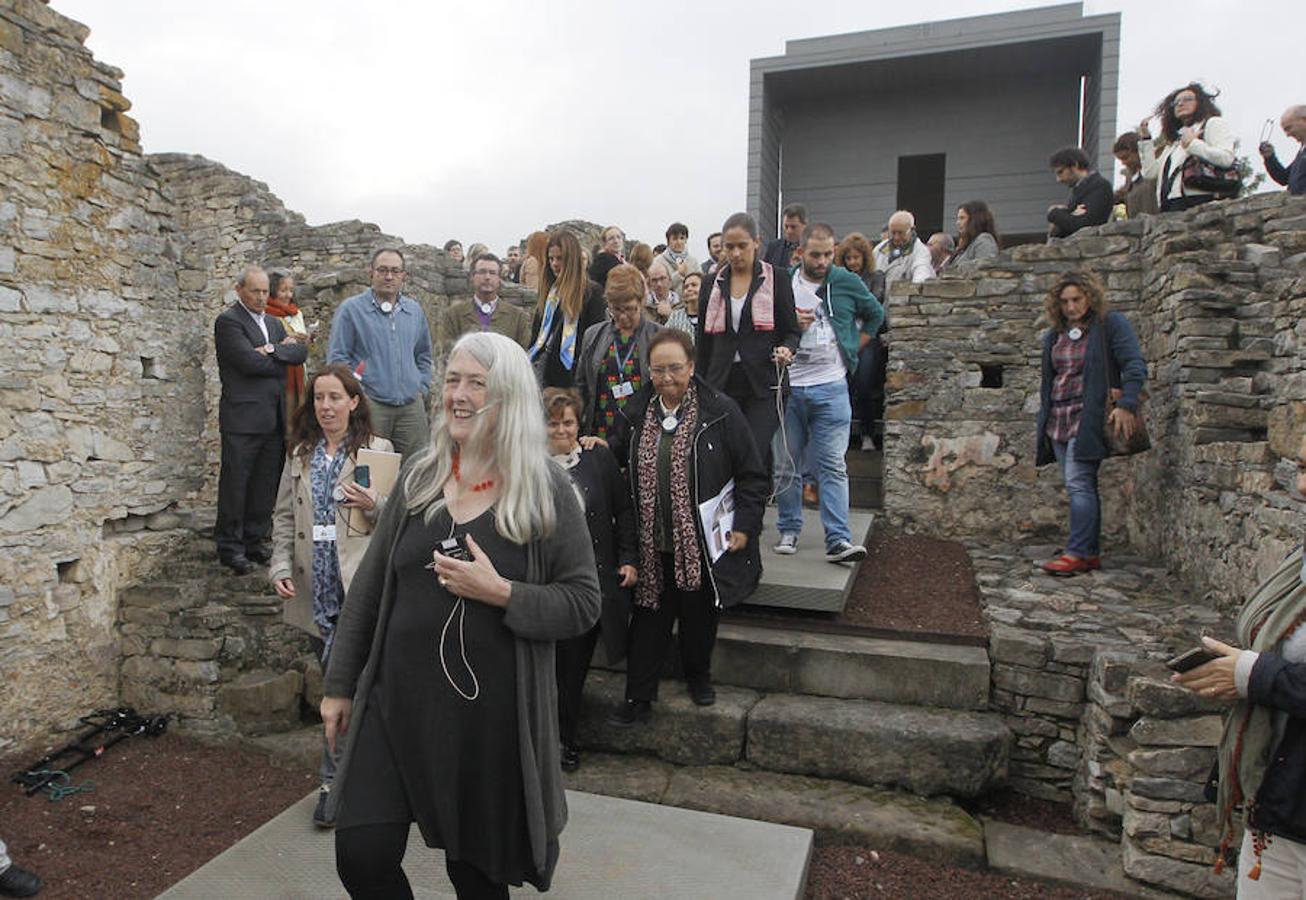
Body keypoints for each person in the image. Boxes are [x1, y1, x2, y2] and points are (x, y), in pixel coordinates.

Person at [322, 331, 601, 899]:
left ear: (509, 397)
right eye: (452, 379)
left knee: (473, 877)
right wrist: (340, 684)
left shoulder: (545, 488)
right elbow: (372, 588)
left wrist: (503, 592)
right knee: (361, 854)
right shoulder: (422, 477)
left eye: (477, 382)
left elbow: (583, 601)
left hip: (485, 724)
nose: (459, 394)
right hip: (396, 704)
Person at [611, 329, 769, 723]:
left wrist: (746, 526)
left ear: (692, 367)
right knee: (648, 621)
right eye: (659, 370)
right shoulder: (634, 413)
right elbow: (612, 456)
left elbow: (753, 476)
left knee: (698, 618)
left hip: (700, 543)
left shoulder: (721, 411)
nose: (667, 378)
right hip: (651, 543)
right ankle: (638, 698)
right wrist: (594, 449)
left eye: (676, 369)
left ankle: (699, 677)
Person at [1174, 433, 1306, 895]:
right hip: (1279, 808)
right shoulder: (1301, 563)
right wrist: (1237, 669)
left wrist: (1255, 675)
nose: (1303, 486)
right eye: (1303, 468)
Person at [269, 364, 392, 827]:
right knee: (343, 691)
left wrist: (374, 504)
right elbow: (282, 517)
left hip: (357, 595)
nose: (325, 407)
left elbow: (395, 524)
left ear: (354, 401)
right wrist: (279, 566)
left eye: (335, 398)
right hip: (316, 594)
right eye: (319, 398)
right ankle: (358, 781)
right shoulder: (300, 454)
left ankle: (332, 786)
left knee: (342, 691)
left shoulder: (376, 452)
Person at [773, 223, 882, 562]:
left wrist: (851, 348)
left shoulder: (847, 281)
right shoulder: (782, 283)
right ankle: (789, 529)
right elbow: (763, 328)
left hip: (831, 386)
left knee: (833, 464)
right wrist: (789, 324)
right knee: (785, 464)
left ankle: (838, 539)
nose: (823, 261)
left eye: (828, 254)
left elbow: (876, 316)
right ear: (800, 253)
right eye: (816, 254)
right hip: (790, 387)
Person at [544, 388, 637, 772]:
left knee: (570, 672)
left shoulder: (596, 457)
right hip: (543, 588)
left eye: (569, 422)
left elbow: (624, 510)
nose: (563, 430)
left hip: (587, 587)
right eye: (554, 423)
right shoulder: (527, 466)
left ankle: (565, 740)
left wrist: (629, 559)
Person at [1035, 269, 1145, 576]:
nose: (1071, 307)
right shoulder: (1055, 335)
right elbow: (1052, 377)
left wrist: (1126, 403)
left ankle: (1078, 552)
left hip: (1089, 417)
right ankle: (1089, 550)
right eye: (1065, 301)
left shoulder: (1109, 325)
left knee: (1079, 481)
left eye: (1077, 300)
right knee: (1079, 485)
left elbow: (1134, 364)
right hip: (1058, 418)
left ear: (1090, 298)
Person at [214, 266, 309, 574]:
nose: (260, 297)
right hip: (242, 418)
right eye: (254, 291)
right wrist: (279, 354)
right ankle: (230, 546)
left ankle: (254, 541)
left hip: (274, 417)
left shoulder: (273, 322)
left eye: (265, 291)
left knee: (265, 484)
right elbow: (247, 361)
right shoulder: (228, 322)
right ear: (239, 289)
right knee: (236, 483)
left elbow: (300, 354)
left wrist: (269, 350)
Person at [696, 212, 800, 467]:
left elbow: (792, 330)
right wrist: (698, 386)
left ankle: (752, 503)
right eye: (729, 247)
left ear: (756, 242)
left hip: (763, 383)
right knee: (725, 453)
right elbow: (703, 342)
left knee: (752, 449)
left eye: (742, 246)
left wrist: (787, 349)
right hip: (722, 380)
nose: (735, 254)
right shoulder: (712, 283)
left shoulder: (777, 278)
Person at [326, 248, 434, 458]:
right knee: (370, 469)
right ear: (371, 273)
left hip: (411, 407)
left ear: (404, 275)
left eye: (395, 271)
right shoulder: (351, 310)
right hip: (372, 405)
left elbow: (423, 355)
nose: (389, 276)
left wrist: (422, 387)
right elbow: (338, 359)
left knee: (417, 470)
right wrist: (359, 394)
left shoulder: (414, 310)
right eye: (382, 270)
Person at [574, 263, 659, 456]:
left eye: (630, 309)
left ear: (642, 300)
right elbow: (581, 386)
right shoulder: (593, 335)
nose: (622, 316)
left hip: (643, 434)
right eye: (615, 309)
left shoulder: (659, 337)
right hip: (599, 431)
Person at [1138, 83, 1238, 213]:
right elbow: (1150, 173)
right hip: (1171, 204)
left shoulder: (1212, 124)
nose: (1180, 104)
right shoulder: (1174, 143)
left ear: (1200, 103)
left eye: (1187, 99)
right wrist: (1146, 140)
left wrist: (1193, 145)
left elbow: (1226, 158)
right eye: (1176, 102)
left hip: (1202, 199)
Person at [527, 230, 607, 390]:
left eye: (560, 258)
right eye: (551, 259)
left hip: (574, 376)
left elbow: (596, 339)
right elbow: (537, 335)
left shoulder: (592, 293)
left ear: (571, 259)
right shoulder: (548, 293)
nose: (555, 264)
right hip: (546, 374)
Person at [837, 232, 887, 449]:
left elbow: (874, 302)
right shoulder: (838, 278)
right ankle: (845, 435)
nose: (852, 262)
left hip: (867, 338)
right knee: (844, 386)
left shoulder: (876, 277)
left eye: (856, 258)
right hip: (844, 339)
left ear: (864, 257)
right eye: (848, 258)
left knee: (865, 384)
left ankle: (867, 434)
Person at [438, 253, 533, 359]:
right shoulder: (454, 315)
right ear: (472, 277)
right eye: (482, 272)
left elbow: (522, 357)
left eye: (492, 273)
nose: (487, 277)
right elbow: (447, 355)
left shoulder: (517, 317)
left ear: (499, 279)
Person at [265, 271, 310, 424]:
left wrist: (305, 339)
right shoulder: (266, 314)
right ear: (273, 290)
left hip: (298, 372)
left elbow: (303, 347)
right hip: (279, 375)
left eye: (291, 290)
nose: (288, 295)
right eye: (283, 290)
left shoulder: (297, 313)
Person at [1047, 147, 1113, 238]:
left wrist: (1053, 213)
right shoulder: (1078, 190)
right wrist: (1067, 214)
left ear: (1075, 165)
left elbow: (1083, 224)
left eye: (1060, 172)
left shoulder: (1099, 186)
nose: (1058, 180)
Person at [873, 211, 934, 286]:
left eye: (900, 233)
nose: (896, 237)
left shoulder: (921, 251)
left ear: (912, 230)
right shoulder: (879, 249)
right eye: (893, 233)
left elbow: (921, 276)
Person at [1260, 104, 1306, 196]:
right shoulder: (1302, 152)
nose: (1287, 135)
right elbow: (1284, 178)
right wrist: (1270, 158)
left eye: (1289, 128)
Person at [1112, 133, 1159, 218]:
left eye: (1126, 157)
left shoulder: (1152, 176)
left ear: (1138, 152)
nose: (1124, 163)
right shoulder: (1130, 181)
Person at [947, 201, 1001, 267]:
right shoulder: (967, 246)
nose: (957, 222)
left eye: (962, 218)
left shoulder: (984, 240)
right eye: (958, 218)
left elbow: (985, 266)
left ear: (975, 219)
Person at [656, 222, 700, 293]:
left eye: (682, 238)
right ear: (668, 241)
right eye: (675, 239)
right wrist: (679, 275)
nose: (679, 242)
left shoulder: (693, 262)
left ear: (686, 240)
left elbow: (700, 284)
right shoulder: (659, 261)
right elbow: (659, 287)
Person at [763, 202, 807, 268]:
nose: (789, 231)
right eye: (786, 226)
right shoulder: (773, 247)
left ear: (804, 225)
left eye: (793, 227)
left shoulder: (813, 248)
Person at [665, 270, 701, 339]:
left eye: (694, 285)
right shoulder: (675, 317)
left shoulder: (711, 316)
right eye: (686, 287)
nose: (689, 289)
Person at [587, 225, 625, 289]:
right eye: (611, 238)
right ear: (605, 243)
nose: (616, 241)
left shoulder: (622, 260)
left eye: (619, 237)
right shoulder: (603, 259)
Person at [644, 259, 680, 324]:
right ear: (649, 283)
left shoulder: (681, 304)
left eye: (662, 278)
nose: (659, 284)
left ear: (670, 279)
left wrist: (671, 316)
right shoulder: (644, 307)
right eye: (654, 280)